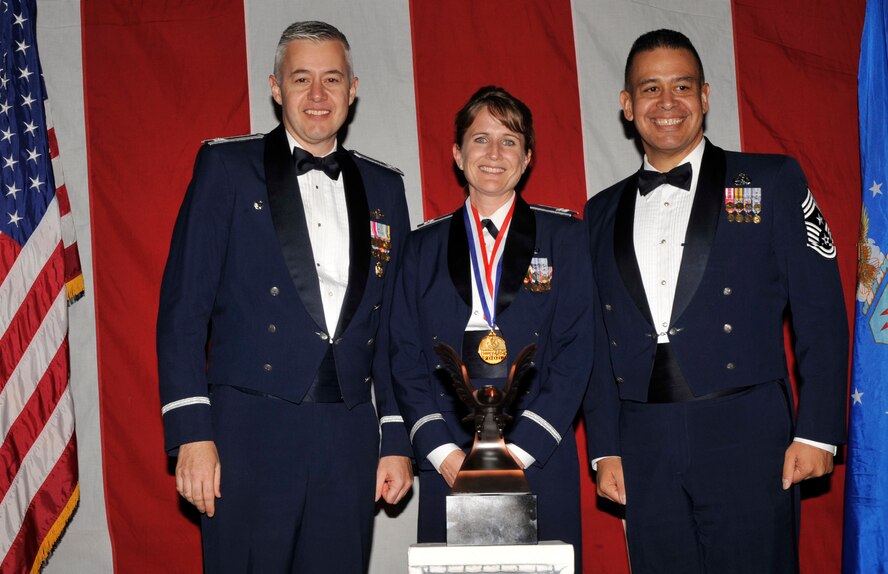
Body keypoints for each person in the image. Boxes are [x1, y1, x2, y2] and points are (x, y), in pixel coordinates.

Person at [583, 29, 848, 573]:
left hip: (747, 433)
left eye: (681, 86)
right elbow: (595, 342)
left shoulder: (771, 181)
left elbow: (821, 314)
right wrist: (605, 446)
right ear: (627, 106)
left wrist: (818, 429)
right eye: (650, 89)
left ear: (704, 96)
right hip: (644, 441)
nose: (667, 103)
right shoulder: (599, 212)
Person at [156, 21, 413, 573]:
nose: (317, 95)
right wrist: (191, 434)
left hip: (347, 434)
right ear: (276, 88)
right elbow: (183, 310)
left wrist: (395, 437)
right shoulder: (226, 167)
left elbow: (395, 331)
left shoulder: (386, 187)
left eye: (331, 79)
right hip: (247, 433)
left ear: (353, 88)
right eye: (301, 79)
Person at [390, 86, 594, 569]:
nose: (494, 153)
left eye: (510, 141)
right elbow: (403, 354)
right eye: (481, 139)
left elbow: (577, 350)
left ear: (527, 158)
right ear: (458, 154)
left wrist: (519, 451)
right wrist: (441, 452)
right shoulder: (421, 248)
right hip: (448, 463)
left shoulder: (566, 238)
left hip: (538, 456)